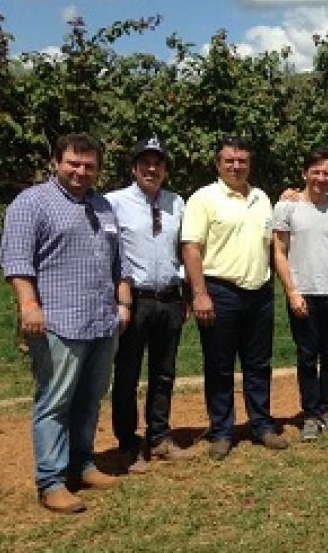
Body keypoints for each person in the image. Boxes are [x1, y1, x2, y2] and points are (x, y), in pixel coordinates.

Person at [1, 133, 131, 514]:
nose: (81, 171)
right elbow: (17, 261)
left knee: (89, 399)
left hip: (99, 321)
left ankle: (82, 464)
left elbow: (117, 261)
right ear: (56, 162)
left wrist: (122, 302)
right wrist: (28, 305)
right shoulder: (32, 203)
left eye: (89, 165)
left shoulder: (103, 206)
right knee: (55, 401)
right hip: (57, 321)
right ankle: (51, 481)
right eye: (73, 163)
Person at [182, 137, 289, 460]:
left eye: (242, 160)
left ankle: (262, 425)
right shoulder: (204, 199)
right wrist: (199, 294)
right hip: (220, 292)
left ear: (249, 163)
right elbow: (191, 248)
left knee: (259, 365)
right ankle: (222, 431)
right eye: (229, 160)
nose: (236, 166)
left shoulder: (261, 198)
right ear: (218, 164)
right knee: (220, 366)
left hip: (259, 293)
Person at [106, 138, 188, 474]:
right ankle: (128, 443)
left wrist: (183, 289)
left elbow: (185, 247)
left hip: (169, 298)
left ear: (165, 168)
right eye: (145, 163)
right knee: (127, 374)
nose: (151, 169)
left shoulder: (176, 202)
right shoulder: (113, 203)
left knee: (164, 372)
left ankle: (159, 436)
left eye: (158, 163)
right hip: (135, 300)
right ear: (134, 167)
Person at [273, 149, 328, 441]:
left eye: (327, 173)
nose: (321, 178)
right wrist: (291, 291)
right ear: (305, 173)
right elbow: (279, 252)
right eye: (316, 172)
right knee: (307, 356)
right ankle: (310, 415)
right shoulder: (287, 208)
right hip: (304, 293)